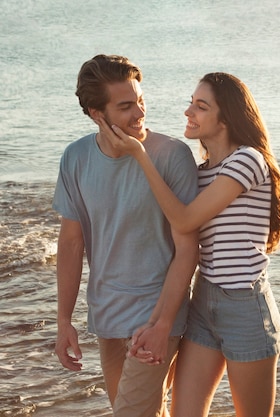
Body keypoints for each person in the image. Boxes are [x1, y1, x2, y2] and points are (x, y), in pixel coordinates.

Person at [97, 72, 280, 417]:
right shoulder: (202, 173)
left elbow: (185, 220)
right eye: (191, 103)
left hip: (245, 305)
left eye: (201, 106)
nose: (189, 111)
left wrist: (141, 155)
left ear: (227, 117)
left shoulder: (247, 160)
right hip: (204, 300)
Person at [52, 54, 199, 417]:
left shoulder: (172, 156)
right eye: (125, 106)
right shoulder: (76, 158)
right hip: (106, 312)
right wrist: (63, 320)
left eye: (140, 101)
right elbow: (71, 243)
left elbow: (187, 250)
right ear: (95, 113)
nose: (139, 113)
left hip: (157, 312)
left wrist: (163, 324)